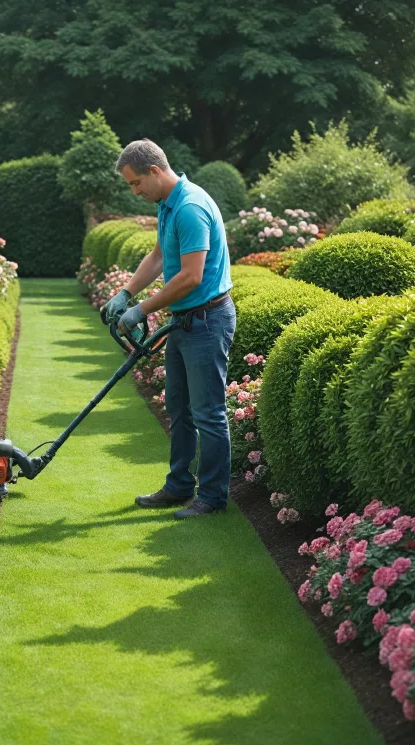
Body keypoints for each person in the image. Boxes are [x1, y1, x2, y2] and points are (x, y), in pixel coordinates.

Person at [101, 139, 235, 519]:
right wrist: (125, 293)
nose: (135, 191)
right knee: (179, 408)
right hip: (184, 321)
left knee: (208, 412)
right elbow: (160, 255)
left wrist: (141, 309)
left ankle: (212, 498)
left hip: (208, 320)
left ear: (155, 172)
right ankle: (178, 486)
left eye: (135, 183)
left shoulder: (190, 207)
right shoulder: (167, 203)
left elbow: (191, 276)